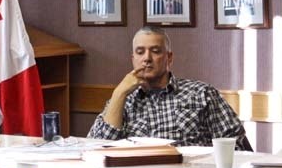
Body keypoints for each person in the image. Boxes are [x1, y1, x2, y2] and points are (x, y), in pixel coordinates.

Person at [87, 26, 247, 147]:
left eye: (155, 51)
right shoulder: (123, 101)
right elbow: (97, 148)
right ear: (133, 59)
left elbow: (236, 146)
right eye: (140, 52)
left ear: (169, 58)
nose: (147, 58)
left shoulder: (201, 94)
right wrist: (120, 93)